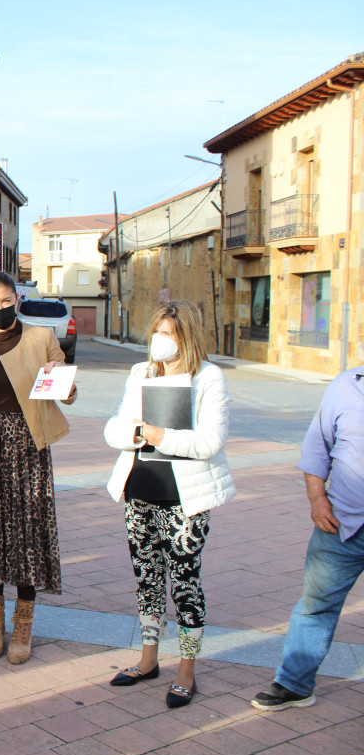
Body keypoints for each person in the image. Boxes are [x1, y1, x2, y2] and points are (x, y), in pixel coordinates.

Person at [103, 300, 235, 709]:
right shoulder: (141, 372)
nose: (159, 341)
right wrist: (137, 433)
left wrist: (159, 434)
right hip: (139, 490)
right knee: (146, 578)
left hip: (185, 500)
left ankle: (186, 670)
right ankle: (148, 659)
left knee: (184, 583)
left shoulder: (209, 377)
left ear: (186, 338)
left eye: (168, 334)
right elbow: (116, 427)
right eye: (156, 332)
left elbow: (210, 442)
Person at [0, 271, 76, 664]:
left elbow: (66, 389)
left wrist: (66, 385)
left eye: (6, 301)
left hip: (27, 446)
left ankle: (23, 626)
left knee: (25, 534)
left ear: (16, 300)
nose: (0, 308)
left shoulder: (42, 338)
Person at [251, 361, 364, 711]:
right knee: (315, 606)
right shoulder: (346, 385)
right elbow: (317, 447)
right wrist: (317, 500)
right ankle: (294, 684)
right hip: (341, 523)